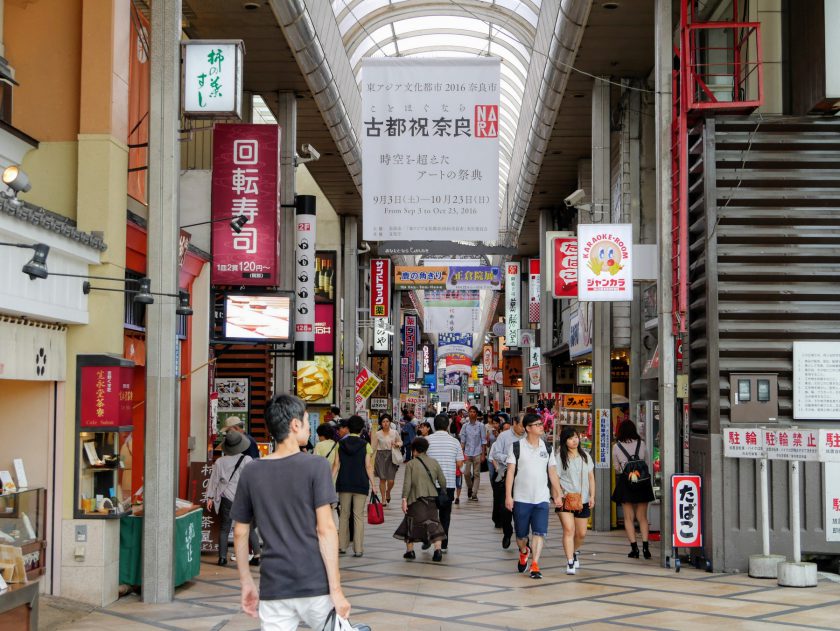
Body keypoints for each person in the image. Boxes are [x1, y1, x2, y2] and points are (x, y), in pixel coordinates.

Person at [231, 394, 350, 628]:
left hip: (274, 585)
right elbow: (326, 529)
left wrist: (246, 582)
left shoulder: (252, 471)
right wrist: (336, 590)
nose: (309, 427)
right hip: (314, 582)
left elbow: (240, 532)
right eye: (307, 421)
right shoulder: (316, 466)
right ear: (295, 425)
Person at [505, 413, 562, 580]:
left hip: (541, 499)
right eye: (537, 424)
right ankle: (524, 551)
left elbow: (552, 473)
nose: (541, 427)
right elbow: (510, 472)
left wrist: (557, 494)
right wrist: (509, 496)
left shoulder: (547, 447)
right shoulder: (516, 447)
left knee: (539, 533)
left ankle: (535, 564)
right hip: (521, 499)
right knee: (521, 536)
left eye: (540, 424)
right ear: (528, 428)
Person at [207, 431, 261, 567]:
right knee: (248, 528)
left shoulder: (220, 461)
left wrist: (210, 497)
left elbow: (214, 481)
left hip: (227, 498)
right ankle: (257, 555)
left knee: (224, 528)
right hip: (243, 498)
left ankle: (222, 558)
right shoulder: (247, 460)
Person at [393, 437, 448, 562]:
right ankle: (437, 550)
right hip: (432, 499)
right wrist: (442, 491)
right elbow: (442, 480)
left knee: (410, 523)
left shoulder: (411, 464)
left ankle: (410, 551)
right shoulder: (434, 462)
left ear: (415, 450)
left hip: (415, 500)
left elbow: (407, 484)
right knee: (434, 523)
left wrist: (404, 499)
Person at [332, 415, 377, 558]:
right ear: (361, 429)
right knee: (358, 516)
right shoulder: (366, 445)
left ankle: (342, 546)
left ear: (348, 428)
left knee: (344, 515)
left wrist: (329, 481)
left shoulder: (340, 444)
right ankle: (358, 549)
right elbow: (368, 466)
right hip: (361, 483)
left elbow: (336, 465)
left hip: (344, 483)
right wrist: (373, 485)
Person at [611, 419, 656, 559]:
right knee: (642, 517)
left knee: (628, 517)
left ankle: (634, 549)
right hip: (643, 483)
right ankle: (646, 548)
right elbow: (647, 462)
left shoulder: (616, 447)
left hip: (626, 484)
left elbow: (617, 468)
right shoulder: (641, 444)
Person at [555, 426, 596, 575]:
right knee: (569, 530)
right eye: (571, 438)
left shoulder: (585, 456)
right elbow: (555, 478)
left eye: (576, 437)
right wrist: (559, 494)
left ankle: (574, 551)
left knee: (581, 533)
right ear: (565, 441)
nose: (575, 440)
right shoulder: (560, 457)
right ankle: (570, 562)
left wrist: (592, 496)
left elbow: (591, 477)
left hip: (583, 499)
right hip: (566, 499)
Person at [425, 414, 464, 552]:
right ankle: (444, 541)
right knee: (445, 514)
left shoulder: (427, 440)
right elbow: (460, 463)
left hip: (429, 483)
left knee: (430, 513)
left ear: (434, 426)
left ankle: (429, 537)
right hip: (448, 484)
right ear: (447, 425)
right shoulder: (455, 442)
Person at [488, 414, 525, 548]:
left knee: (521, 509)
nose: (523, 428)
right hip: (504, 476)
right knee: (504, 508)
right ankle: (507, 532)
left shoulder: (527, 437)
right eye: (521, 425)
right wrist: (511, 460)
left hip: (522, 478)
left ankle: (523, 538)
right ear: (514, 423)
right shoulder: (504, 436)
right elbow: (495, 454)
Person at [372, 413, 402, 506]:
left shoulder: (394, 432)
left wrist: (397, 444)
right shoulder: (377, 434)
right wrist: (368, 457)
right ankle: (383, 499)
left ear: (390, 422)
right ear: (381, 423)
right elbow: (373, 447)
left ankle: (388, 491)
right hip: (380, 456)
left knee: (391, 480)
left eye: (387, 421)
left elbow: (400, 441)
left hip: (391, 456)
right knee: (382, 479)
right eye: (383, 421)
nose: (385, 423)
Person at [459, 406, 487, 501]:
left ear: (476, 414)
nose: (472, 413)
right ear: (468, 413)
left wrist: (483, 454)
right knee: (466, 473)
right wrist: (460, 454)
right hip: (467, 453)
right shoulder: (465, 426)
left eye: (474, 412)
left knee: (476, 474)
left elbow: (483, 441)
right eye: (470, 411)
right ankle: (470, 487)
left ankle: (474, 494)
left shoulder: (481, 426)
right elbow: (462, 441)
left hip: (477, 452)